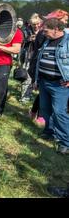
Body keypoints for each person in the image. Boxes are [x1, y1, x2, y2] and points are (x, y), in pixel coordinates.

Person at [34, 18, 69, 154]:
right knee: (45, 109)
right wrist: (37, 80)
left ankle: (65, 143)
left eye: (46, 31)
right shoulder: (47, 40)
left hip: (60, 85)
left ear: (56, 29)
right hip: (44, 82)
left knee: (60, 112)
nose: (43, 33)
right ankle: (49, 132)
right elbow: (39, 61)